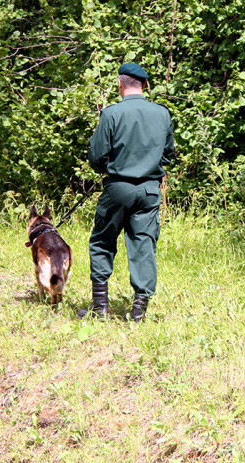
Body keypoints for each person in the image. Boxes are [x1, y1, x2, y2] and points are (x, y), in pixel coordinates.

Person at [78, 63, 174, 322]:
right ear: (144, 85)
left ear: (120, 84)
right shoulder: (162, 113)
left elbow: (96, 156)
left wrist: (109, 168)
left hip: (118, 187)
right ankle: (139, 311)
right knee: (143, 245)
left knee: (102, 242)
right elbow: (168, 155)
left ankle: (100, 308)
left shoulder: (111, 113)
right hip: (149, 189)